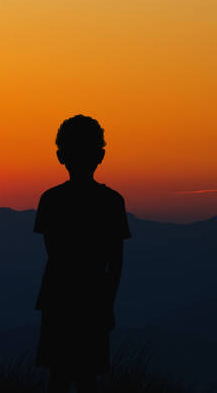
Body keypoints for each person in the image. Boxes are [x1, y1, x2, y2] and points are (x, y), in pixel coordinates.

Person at [33, 115, 131, 393]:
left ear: (60, 155)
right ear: (100, 155)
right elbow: (116, 263)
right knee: (88, 378)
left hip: (59, 298)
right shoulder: (111, 202)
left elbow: (54, 254)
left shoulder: (51, 200)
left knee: (59, 376)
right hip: (93, 299)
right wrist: (107, 302)